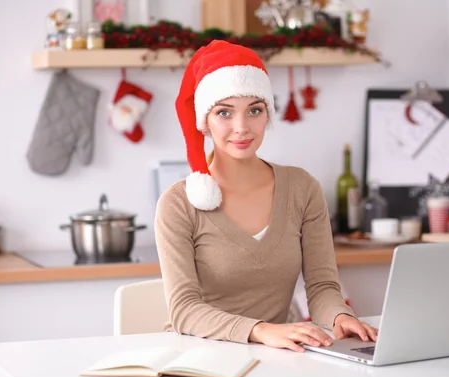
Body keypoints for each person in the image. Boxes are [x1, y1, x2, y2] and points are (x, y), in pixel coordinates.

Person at [154, 40, 378, 353]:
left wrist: (340, 315)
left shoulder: (303, 188)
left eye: (254, 110)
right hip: (198, 358)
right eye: (224, 113)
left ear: (267, 114)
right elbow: (184, 311)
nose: (242, 128)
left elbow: (322, 286)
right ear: (204, 120)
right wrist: (260, 331)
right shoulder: (178, 204)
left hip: (280, 354)